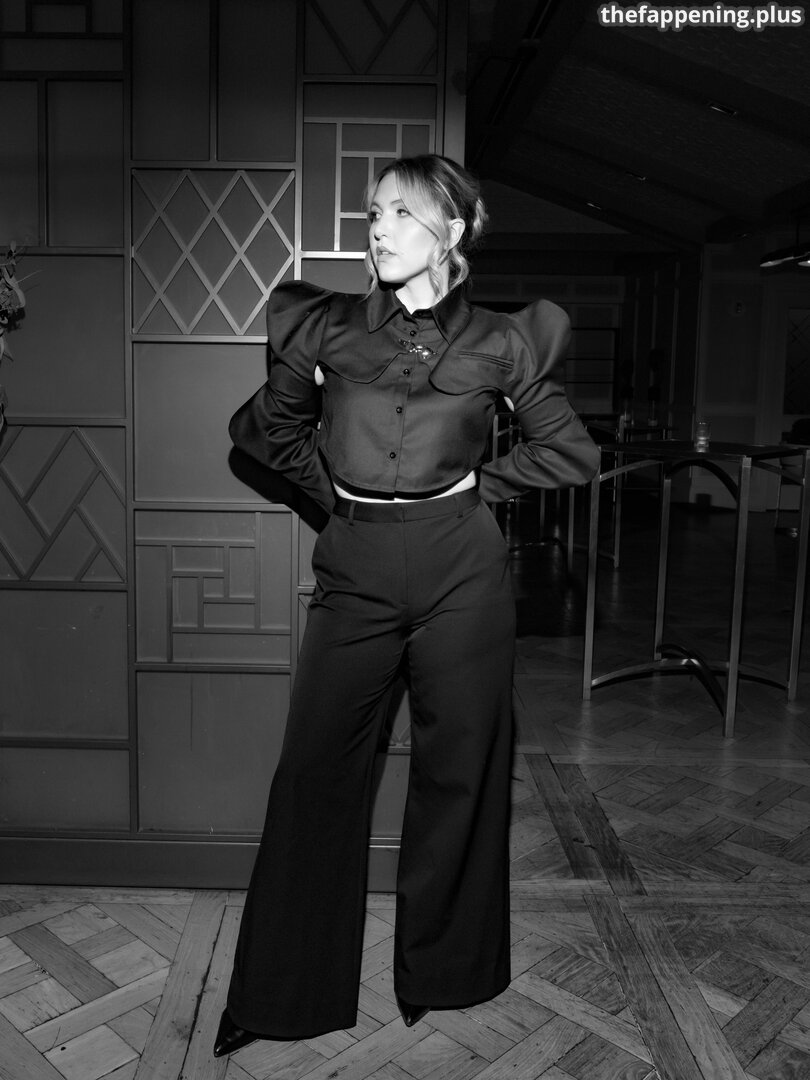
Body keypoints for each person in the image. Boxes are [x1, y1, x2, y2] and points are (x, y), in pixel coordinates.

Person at [214, 154, 599, 1057]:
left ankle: (444, 974)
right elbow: (267, 430)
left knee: (460, 771)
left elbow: (570, 451)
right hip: (357, 568)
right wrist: (343, 500)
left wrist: (476, 487)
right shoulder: (325, 325)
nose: (379, 229)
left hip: (462, 570)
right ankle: (282, 994)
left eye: (400, 212)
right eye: (374, 213)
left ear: (452, 230)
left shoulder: (502, 340)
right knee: (315, 774)